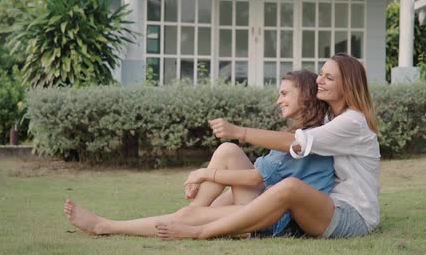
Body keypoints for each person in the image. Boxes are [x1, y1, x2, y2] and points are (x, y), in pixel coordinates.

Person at [63, 70, 335, 237]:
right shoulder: (304, 134)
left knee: (189, 215)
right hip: (268, 204)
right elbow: (259, 178)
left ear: (307, 97)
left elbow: (254, 179)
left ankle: (104, 226)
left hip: (275, 222)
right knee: (227, 151)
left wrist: (204, 172)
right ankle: (193, 212)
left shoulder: (309, 139)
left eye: (285, 93)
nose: (278, 100)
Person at [155, 53, 380, 240]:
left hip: (353, 216)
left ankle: (201, 232)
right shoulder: (329, 117)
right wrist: (204, 177)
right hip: (327, 205)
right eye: (320, 74)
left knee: (289, 186)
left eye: (328, 77)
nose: (319, 80)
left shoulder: (352, 122)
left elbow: (296, 143)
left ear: (347, 86)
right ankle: (181, 218)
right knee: (211, 196)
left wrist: (239, 132)